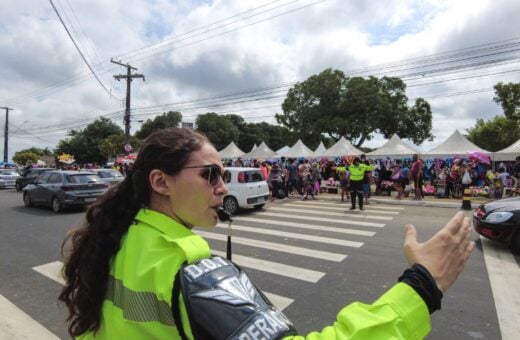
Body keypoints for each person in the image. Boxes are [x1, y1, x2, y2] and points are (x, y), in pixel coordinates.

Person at [59, 128, 475, 339]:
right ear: (160, 182)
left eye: (223, 173)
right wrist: (420, 287)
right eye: (210, 174)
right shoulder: (190, 269)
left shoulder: (119, 236)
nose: (223, 186)